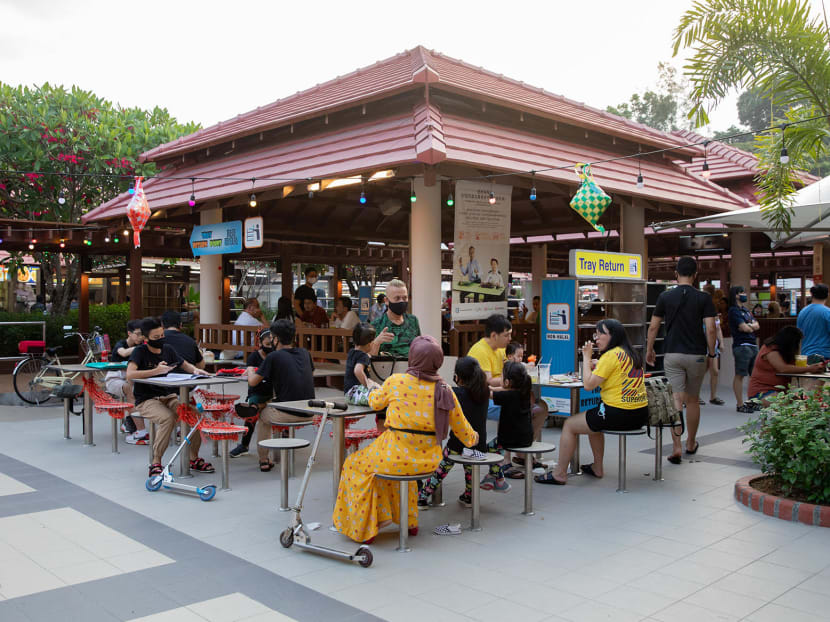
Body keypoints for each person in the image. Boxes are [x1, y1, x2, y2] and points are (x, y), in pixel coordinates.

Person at [332, 335, 478, 544]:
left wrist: (372, 387)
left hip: (394, 454)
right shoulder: (445, 390)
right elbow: (465, 433)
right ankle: (409, 522)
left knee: (355, 465)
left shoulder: (396, 381)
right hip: (428, 460)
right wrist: (476, 438)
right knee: (399, 469)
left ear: (412, 358)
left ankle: (364, 528)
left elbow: (375, 403)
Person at [537, 319, 649, 484]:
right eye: (596, 334)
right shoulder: (631, 354)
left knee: (569, 424)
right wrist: (597, 363)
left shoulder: (610, 356)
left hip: (619, 413)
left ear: (613, 336)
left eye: (601, 333)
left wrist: (587, 356)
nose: (596, 338)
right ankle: (597, 466)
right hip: (640, 413)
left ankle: (559, 473)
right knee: (593, 421)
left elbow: (588, 385)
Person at [646, 256, 716, 463]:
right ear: (696, 275)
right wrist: (711, 353)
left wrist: (650, 349)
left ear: (675, 274)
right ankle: (690, 443)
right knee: (693, 400)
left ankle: (676, 446)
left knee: (676, 398)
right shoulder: (704, 298)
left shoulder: (665, 297)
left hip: (672, 353)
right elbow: (711, 329)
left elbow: (653, 326)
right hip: (696, 354)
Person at [126, 317, 212, 478]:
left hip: (169, 395)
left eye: (161, 335)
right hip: (147, 399)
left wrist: (196, 371)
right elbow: (130, 375)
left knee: (194, 416)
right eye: (156, 338)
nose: (160, 340)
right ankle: (156, 462)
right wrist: (155, 371)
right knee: (167, 418)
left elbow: (184, 364)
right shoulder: (140, 352)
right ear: (145, 338)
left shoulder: (168, 349)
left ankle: (193, 458)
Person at [417, 356, 489, 509]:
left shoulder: (456, 393)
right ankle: (469, 496)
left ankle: (422, 496)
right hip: (478, 444)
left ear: (457, 377)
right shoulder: (484, 392)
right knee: (469, 468)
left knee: (442, 468)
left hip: (457, 444)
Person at [244, 319, 316, 472]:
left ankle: (263, 459)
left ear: (275, 339)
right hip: (311, 412)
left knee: (263, 415)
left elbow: (253, 382)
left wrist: (250, 369)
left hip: (288, 413)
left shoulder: (273, 357)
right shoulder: (305, 353)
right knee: (273, 402)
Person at [480, 361, 534, 492]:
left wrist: (478, 386)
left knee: (488, 449)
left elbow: (489, 395)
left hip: (510, 439)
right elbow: (500, 390)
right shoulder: (523, 391)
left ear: (507, 382)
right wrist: (493, 388)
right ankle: (494, 478)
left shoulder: (508, 396)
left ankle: (498, 479)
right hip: (526, 438)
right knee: (495, 451)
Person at [748, 326, 825, 404]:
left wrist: (814, 367)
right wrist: (809, 369)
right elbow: (783, 368)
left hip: (779, 390)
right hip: (762, 391)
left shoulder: (784, 351)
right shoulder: (771, 349)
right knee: (794, 405)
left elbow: (795, 367)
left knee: (803, 406)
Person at [229, 328, 275, 458]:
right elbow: (251, 377)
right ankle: (244, 445)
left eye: (272, 344)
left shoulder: (276, 355)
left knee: (279, 411)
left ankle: (286, 442)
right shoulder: (254, 357)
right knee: (251, 416)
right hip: (257, 390)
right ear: (260, 343)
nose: (270, 347)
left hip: (273, 390)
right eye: (267, 345)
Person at [106, 319, 148, 444]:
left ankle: (129, 422)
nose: (140, 337)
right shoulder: (121, 344)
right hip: (115, 379)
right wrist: (141, 348)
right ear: (129, 333)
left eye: (143, 334)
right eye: (138, 334)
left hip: (133, 380)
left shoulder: (142, 346)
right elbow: (123, 353)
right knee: (131, 389)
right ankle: (141, 431)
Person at [344, 323, 382, 431]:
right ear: (369, 343)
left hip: (348, 393)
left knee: (379, 391)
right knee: (381, 395)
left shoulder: (352, 352)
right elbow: (358, 370)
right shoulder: (363, 356)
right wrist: (367, 385)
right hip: (355, 392)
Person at [728, 286, 760, 413]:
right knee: (740, 374)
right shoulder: (733, 311)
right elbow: (743, 328)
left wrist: (749, 326)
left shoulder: (746, 310)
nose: (744, 294)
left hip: (753, 344)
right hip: (741, 346)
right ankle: (740, 404)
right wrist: (750, 326)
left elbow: (756, 325)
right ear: (736, 295)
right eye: (742, 292)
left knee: (754, 376)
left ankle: (752, 401)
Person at [370, 279, 420, 358]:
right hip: (386, 368)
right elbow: (369, 358)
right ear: (386, 300)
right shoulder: (376, 325)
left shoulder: (413, 321)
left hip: (411, 368)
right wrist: (377, 342)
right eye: (397, 298)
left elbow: (419, 348)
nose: (401, 301)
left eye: (404, 298)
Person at [797, 284, 830, 359]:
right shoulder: (827, 312)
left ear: (812, 294)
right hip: (824, 355)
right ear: (827, 295)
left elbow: (798, 335)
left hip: (805, 354)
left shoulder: (803, 312)